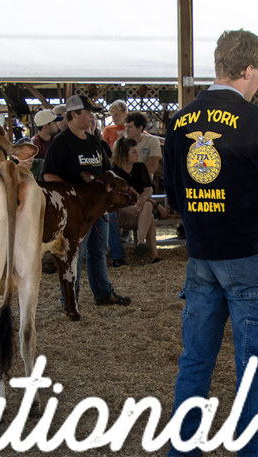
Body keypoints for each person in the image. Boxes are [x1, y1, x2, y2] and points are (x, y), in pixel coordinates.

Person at [163, 28, 258, 457]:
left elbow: (174, 196)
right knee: (252, 368)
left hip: (201, 256)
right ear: (251, 68)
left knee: (195, 360)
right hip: (249, 256)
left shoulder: (178, 122)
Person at [42, 94, 131, 307]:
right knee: (74, 254)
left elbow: (108, 171)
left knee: (98, 251)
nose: (92, 117)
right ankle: (70, 299)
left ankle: (103, 293)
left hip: (99, 208)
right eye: (88, 112)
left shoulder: (95, 142)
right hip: (74, 212)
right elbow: (49, 177)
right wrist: (72, 197)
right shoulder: (60, 143)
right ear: (74, 114)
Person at [112, 137, 163, 263]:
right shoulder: (115, 171)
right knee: (148, 211)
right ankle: (152, 253)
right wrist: (141, 202)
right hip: (123, 210)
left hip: (138, 210)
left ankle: (142, 244)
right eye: (133, 152)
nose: (137, 154)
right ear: (124, 154)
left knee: (148, 211)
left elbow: (148, 189)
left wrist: (140, 202)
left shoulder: (140, 167)